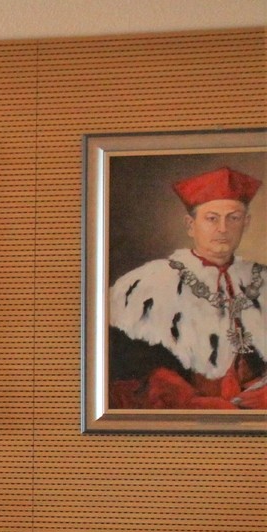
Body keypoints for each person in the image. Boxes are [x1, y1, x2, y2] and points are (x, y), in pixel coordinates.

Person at [107, 165, 264, 410]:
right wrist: (193, 402)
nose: (223, 229)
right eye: (212, 218)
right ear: (190, 225)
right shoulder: (148, 283)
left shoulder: (262, 278)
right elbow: (130, 373)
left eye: (233, 218)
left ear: (246, 222)